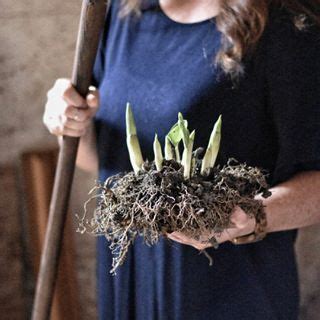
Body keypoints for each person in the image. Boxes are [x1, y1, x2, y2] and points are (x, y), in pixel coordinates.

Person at [43, 0, 320, 319]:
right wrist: (72, 123)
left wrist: (245, 218)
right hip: (132, 285)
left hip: (226, 295)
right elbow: (103, 160)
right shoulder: (119, 12)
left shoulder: (286, 24)